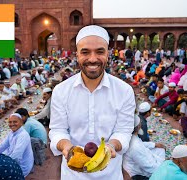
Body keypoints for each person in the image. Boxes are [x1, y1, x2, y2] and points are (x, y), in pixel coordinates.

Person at [49, 25, 135, 179]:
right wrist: (66, 146)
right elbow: (57, 130)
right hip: (73, 174)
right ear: (77, 55)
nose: (93, 59)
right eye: (85, 52)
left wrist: (112, 146)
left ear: (108, 54)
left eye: (100, 51)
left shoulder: (124, 91)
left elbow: (123, 130)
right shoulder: (61, 91)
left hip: (109, 173)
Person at [123, 111, 165, 180]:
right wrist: (163, 168)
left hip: (139, 158)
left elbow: (141, 144)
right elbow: (149, 167)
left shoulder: (131, 137)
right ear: (139, 127)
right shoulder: (135, 146)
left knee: (160, 149)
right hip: (137, 172)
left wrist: (154, 144)